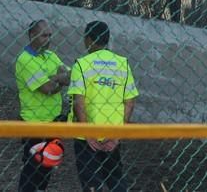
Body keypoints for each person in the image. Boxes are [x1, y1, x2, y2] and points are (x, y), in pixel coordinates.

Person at [69, 21, 139, 192]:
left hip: (86, 138)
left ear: (89, 40)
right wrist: (117, 135)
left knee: (91, 183)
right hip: (111, 134)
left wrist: (88, 135)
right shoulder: (123, 64)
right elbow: (130, 101)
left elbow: (79, 102)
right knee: (115, 179)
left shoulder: (81, 64)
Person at [15, 19, 70, 192]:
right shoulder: (25, 60)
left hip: (53, 121)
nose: (48, 39)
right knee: (32, 171)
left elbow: (70, 76)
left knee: (47, 167)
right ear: (32, 35)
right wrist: (57, 79)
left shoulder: (50, 55)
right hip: (34, 124)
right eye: (44, 35)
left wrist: (56, 79)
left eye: (50, 35)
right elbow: (47, 89)